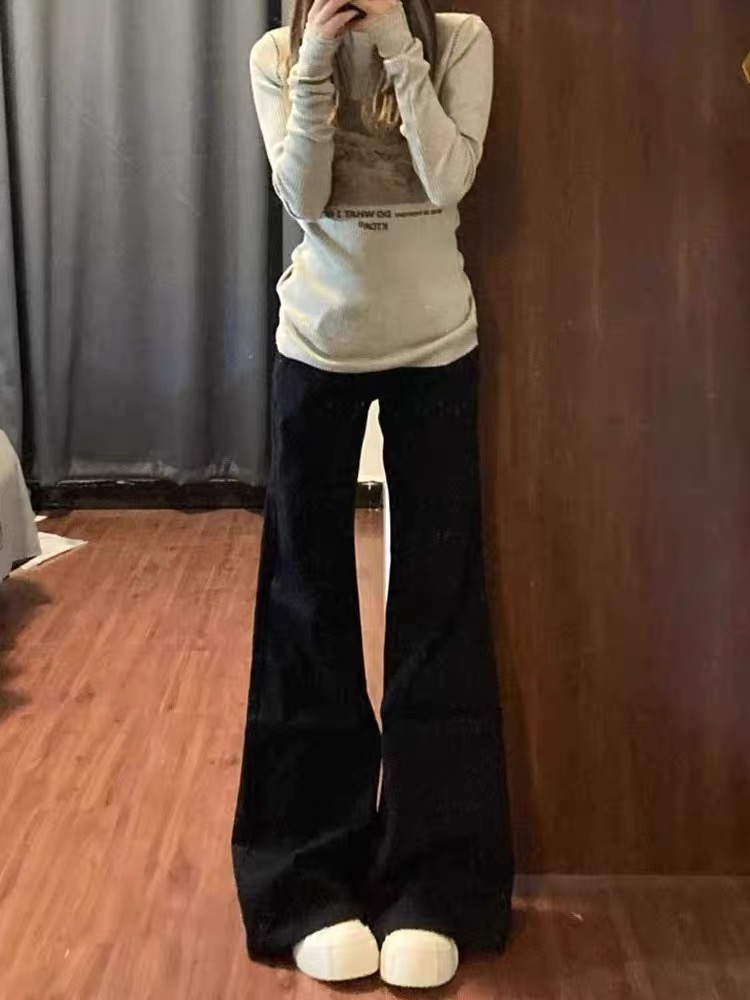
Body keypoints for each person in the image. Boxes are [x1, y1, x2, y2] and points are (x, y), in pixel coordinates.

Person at [230, 0, 514, 988]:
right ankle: (306, 880)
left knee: (439, 608)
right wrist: (316, 58)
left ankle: (438, 883)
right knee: (305, 609)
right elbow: (303, 198)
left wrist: (397, 43)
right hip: (316, 346)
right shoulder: (276, 54)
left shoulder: (462, 40)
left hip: (437, 347)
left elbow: (448, 177)